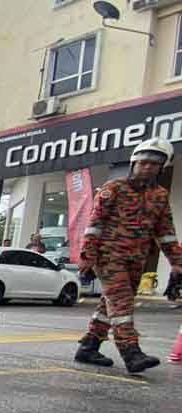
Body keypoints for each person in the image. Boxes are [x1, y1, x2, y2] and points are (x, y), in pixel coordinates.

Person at [74, 138, 182, 373]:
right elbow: (94, 224)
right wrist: (87, 256)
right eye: (143, 162)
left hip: (136, 259)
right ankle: (131, 353)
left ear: (162, 167)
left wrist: (177, 262)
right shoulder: (114, 188)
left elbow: (165, 232)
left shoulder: (160, 195)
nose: (148, 167)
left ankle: (89, 347)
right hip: (108, 256)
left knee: (110, 304)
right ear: (134, 163)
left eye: (154, 164)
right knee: (122, 303)